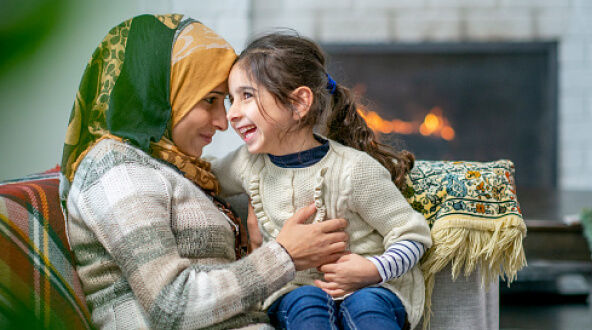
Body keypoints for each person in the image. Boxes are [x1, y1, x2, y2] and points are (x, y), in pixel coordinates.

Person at [59, 14, 348, 329]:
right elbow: (172, 306)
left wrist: (262, 190)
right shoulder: (117, 170)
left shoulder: (177, 168)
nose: (223, 121)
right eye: (210, 100)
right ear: (162, 92)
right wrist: (285, 255)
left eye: (224, 101)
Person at [210, 32, 433, 330]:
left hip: (372, 287)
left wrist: (372, 269)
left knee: (365, 307)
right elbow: (203, 174)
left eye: (247, 96)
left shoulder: (354, 170)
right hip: (294, 291)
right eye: (231, 99)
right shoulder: (247, 163)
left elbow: (413, 235)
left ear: (298, 103)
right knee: (307, 304)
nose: (232, 113)